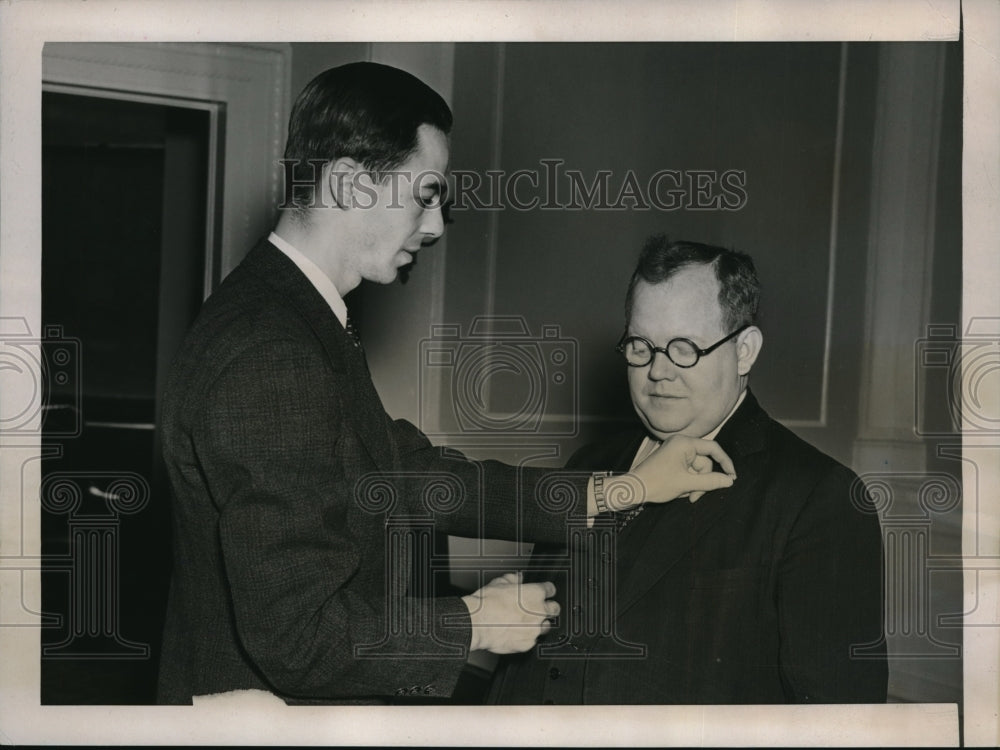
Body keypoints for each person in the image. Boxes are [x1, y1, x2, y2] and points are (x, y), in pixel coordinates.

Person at [156, 64, 737, 705]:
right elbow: (299, 638)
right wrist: (476, 623)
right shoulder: (273, 350)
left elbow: (414, 476)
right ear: (350, 184)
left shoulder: (290, 316)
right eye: (426, 194)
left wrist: (622, 487)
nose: (434, 226)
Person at [490, 236, 887, 704]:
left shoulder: (817, 497)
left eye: (685, 348)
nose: (658, 371)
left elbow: (838, 719)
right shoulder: (590, 466)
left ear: (745, 350)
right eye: (641, 345)